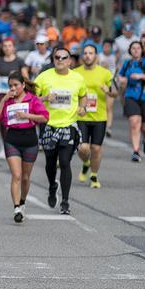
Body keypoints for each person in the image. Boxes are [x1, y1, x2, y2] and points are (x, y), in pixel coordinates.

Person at [35, 47, 87, 215]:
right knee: (50, 163)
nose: (60, 60)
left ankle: (65, 201)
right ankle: (52, 186)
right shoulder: (44, 77)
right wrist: (44, 98)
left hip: (68, 125)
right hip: (49, 125)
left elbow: (83, 95)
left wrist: (83, 107)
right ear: (53, 59)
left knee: (65, 162)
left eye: (64, 58)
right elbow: (31, 98)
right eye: (57, 57)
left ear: (70, 61)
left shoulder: (77, 78)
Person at [0, 72, 48, 222]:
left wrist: (28, 116)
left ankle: (23, 200)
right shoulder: (8, 100)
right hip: (12, 139)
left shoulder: (33, 100)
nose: (13, 88)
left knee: (25, 177)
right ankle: (17, 207)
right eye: (10, 86)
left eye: (16, 85)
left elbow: (44, 117)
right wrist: (4, 98)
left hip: (29, 139)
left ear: (23, 85)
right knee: (16, 175)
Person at [75, 43, 115, 188]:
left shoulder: (105, 73)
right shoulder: (75, 72)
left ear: (96, 56)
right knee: (82, 148)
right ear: (82, 56)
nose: (88, 55)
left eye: (91, 53)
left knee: (96, 149)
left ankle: (94, 176)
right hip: (81, 116)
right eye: (85, 53)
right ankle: (86, 162)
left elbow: (115, 93)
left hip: (99, 117)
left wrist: (108, 90)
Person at [117, 39, 145, 162]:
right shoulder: (127, 63)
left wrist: (140, 76)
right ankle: (136, 151)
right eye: (133, 48)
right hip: (131, 96)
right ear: (130, 50)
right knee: (134, 123)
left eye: (138, 48)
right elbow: (120, 76)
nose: (135, 50)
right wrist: (121, 80)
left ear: (141, 51)